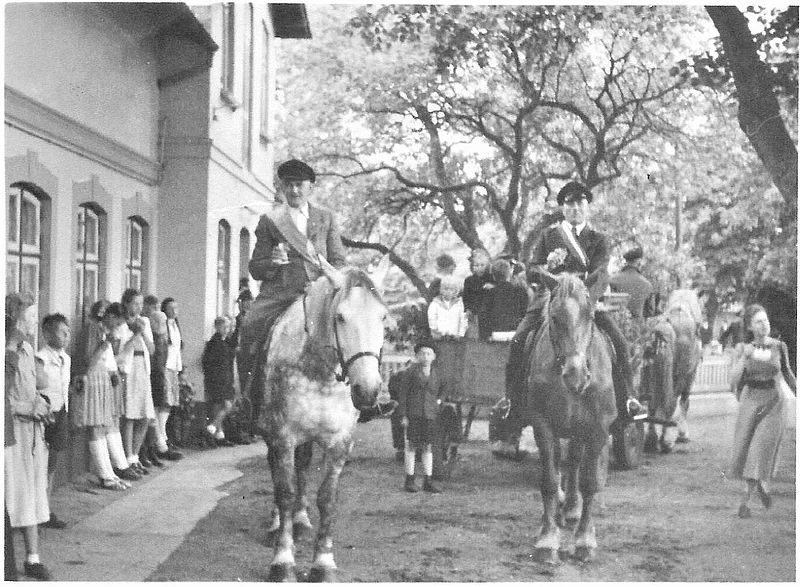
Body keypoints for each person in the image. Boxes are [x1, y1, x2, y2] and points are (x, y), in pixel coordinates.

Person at [507, 181, 639, 428]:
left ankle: (628, 399)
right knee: (518, 339)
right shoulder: (549, 235)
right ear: (562, 208)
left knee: (619, 342)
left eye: (580, 203)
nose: (575, 208)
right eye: (570, 203)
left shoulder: (598, 239)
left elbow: (601, 272)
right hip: (551, 299)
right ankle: (511, 400)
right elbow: (533, 268)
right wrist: (550, 273)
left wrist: (587, 298)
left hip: (586, 301)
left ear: (587, 207)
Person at [728, 304, 796, 518]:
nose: (764, 324)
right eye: (758, 321)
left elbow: (788, 374)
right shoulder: (743, 349)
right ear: (750, 327)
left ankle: (745, 502)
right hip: (750, 402)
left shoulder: (779, 347)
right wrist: (744, 358)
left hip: (774, 403)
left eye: (765, 320)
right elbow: (733, 381)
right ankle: (761, 486)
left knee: (759, 450)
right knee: (746, 452)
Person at [5, 293, 52, 580]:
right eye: (32, 315)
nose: (35, 320)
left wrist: (42, 404)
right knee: (15, 496)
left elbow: (38, 386)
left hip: (33, 433)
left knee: (33, 493)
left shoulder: (27, 349)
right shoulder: (8, 349)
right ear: (18, 317)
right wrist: (27, 407)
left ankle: (33, 558)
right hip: (13, 432)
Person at [72, 302, 137, 488]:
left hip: (102, 380)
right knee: (95, 427)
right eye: (117, 322)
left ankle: (110, 473)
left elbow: (107, 360)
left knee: (102, 425)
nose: (117, 327)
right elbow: (87, 360)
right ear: (110, 316)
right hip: (90, 379)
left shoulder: (103, 332)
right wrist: (106, 342)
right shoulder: (92, 329)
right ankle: (105, 476)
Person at [36, 314, 72, 528]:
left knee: (52, 465)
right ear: (47, 334)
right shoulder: (40, 358)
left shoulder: (65, 358)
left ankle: (45, 510)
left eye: (68, 332)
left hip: (60, 413)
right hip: (44, 415)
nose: (66, 336)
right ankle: (36, 512)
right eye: (62, 332)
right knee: (40, 464)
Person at [396, 341, 444, 493]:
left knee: (427, 447)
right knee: (411, 445)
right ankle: (409, 480)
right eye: (422, 353)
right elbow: (402, 394)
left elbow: (443, 388)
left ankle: (427, 481)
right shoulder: (410, 372)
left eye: (428, 353)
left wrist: (438, 400)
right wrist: (403, 415)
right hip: (414, 414)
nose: (425, 356)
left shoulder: (437, 373)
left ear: (434, 356)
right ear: (417, 356)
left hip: (430, 415)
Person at [117, 289, 155, 476]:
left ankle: (135, 455)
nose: (138, 308)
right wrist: (135, 334)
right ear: (126, 304)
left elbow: (152, 349)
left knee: (145, 415)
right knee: (130, 415)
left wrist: (143, 332)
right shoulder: (122, 323)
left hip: (143, 367)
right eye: (135, 304)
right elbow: (121, 351)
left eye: (141, 304)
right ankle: (127, 457)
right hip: (129, 369)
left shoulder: (145, 322)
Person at [203, 316, 237, 447]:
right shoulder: (214, 343)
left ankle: (218, 434)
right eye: (225, 326)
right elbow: (209, 363)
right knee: (224, 406)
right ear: (217, 327)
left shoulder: (225, 341)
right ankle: (211, 429)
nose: (227, 329)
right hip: (218, 380)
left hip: (226, 378)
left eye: (228, 327)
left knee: (220, 406)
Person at [159, 297, 185, 460]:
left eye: (176, 307)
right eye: (171, 308)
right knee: (165, 402)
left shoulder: (175, 325)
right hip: (165, 366)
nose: (175, 311)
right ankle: (161, 438)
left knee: (171, 403)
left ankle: (165, 437)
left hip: (174, 366)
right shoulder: (164, 325)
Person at [480, 258, 528, 339]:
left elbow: (483, 316)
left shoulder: (490, 293)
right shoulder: (521, 292)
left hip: (495, 334)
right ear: (509, 273)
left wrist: (485, 336)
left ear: (494, 276)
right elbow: (524, 314)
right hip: (515, 333)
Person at [609, 246, 654, 319]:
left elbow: (606, 308)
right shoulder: (648, 285)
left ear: (626, 262)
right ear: (639, 262)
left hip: (614, 327)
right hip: (637, 328)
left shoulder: (612, 280)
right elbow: (650, 313)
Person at [462, 248, 494, 340]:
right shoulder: (469, 280)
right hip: (474, 312)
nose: (479, 268)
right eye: (476, 265)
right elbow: (466, 297)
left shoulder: (491, 278)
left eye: (482, 265)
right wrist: (467, 309)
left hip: (487, 313)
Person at [427, 275, 468, 340]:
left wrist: (461, 333)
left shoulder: (459, 303)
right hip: (440, 336)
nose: (448, 291)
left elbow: (463, 319)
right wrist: (435, 331)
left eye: (451, 289)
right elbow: (432, 318)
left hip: (455, 336)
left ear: (455, 291)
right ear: (441, 290)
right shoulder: (435, 303)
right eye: (446, 289)